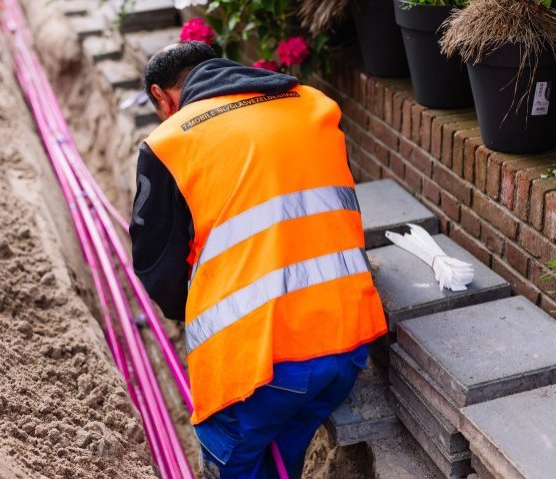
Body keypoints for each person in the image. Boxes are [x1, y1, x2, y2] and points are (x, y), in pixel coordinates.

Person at [129, 41, 388, 479]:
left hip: (259, 365)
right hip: (346, 347)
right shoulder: (313, 105)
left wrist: (188, 310)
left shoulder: (169, 143)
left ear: (161, 96)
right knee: (282, 455)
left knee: (233, 462)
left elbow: (157, 267)